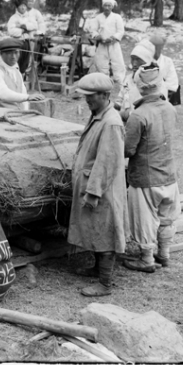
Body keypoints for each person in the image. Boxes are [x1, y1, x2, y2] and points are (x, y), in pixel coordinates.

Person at [68, 73, 128, 297]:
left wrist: (94, 192)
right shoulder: (99, 116)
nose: (87, 100)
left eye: (91, 97)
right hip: (93, 185)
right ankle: (96, 269)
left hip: (103, 190)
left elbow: (107, 162)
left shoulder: (111, 122)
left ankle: (105, 283)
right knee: (95, 229)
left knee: (105, 232)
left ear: (105, 95)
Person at [123, 64, 181, 273]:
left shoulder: (138, 115)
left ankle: (146, 258)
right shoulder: (170, 109)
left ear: (140, 87)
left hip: (146, 177)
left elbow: (128, 150)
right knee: (166, 217)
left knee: (145, 218)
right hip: (169, 175)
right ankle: (164, 254)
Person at [0, 38, 44, 110]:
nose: (13, 56)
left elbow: (23, 95)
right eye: (9, 53)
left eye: (16, 52)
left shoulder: (16, 71)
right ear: (1, 54)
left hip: (17, 115)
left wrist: (26, 111)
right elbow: (4, 94)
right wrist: (28, 97)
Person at [116, 39, 163, 121]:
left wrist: (128, 115)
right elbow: (120, 99)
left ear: (147, 61)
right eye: (133, 59)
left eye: (138, 60)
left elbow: (154, 112)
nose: (134, 63)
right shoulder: (128, 78)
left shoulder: (155, 84)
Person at [88, 0, 126, 92]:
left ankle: (121, 85)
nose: (107, 8)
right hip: (102, 44)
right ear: (102, 6)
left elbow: (120, 31)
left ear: (112, 7)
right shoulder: (98, 17)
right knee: (101, 64)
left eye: (109, 5)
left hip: (113, 44)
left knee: (118, 64)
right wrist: (97, 36)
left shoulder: (117, 17)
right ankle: (104, 85)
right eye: (105, 5)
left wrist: (112, 38)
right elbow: (93, 30)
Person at [7, 0, 41, 73]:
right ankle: (14, 80)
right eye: (21, 6)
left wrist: (25, 26)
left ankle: (22, 79)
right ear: (17, 7)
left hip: (26, 43)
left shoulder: (29, 17)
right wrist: (23, 30)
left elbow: (35, 25)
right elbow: (11, 31)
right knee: (16, 63)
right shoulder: (13, 18)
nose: (23, 8)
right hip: (16, 43)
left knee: (25, 63)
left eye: (24, 6)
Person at [148, 34, 180, 106]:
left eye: (157, 48)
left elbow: (172, 84)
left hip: (163, 100)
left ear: (161, 47)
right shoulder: (145, 61)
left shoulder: (167, 62)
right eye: (152, 47)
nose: (154, 50)